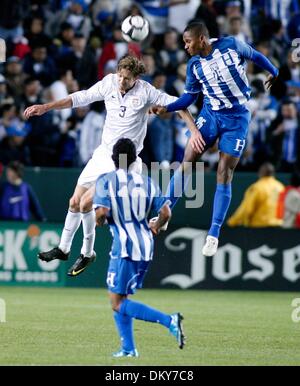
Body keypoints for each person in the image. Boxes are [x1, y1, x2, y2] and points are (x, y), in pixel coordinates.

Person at [24, 55, 200, 277]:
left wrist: (193, 131)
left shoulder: (146, 91)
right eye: (120, 76)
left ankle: (88, 253)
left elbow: (180, 104)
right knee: (75, 202)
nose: (122, 81)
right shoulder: (109, 82)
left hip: (124, 161)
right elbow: (80, 98)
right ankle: (65, 249)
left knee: (86, 203)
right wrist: (46, 107)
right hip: (102, 154)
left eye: (127, 78)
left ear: (136, 77)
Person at [151, 21, 279, 256]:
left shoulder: (231, 45)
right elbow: (188, 99)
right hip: (211, 115)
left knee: (224, 172)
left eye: (188, 42)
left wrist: (274, 71)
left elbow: (256, 56)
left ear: (201, 39)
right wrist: (167, 107)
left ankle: (213, 233)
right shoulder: (194, 66)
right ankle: (164, 211)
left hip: (237, 119)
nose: (185, 47)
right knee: (188, 158)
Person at [94, 138, 185, 357]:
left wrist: (99, 220)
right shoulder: (147, 182)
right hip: (146, 245)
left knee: (116, 302)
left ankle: (169, 320)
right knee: (121, 297)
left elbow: (101, 214)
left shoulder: (105, 180)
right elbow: (166, 213)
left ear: (112, 159)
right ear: (134, 159)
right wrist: (156, 225)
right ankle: (128, 349)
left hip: (124, 246)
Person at [227, 163, 284, 227]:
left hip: (260, 227)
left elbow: (247, 209)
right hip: (278, 225)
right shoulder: (280, 187)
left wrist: (232, 222)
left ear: (261, 172)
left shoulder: (257, 187)